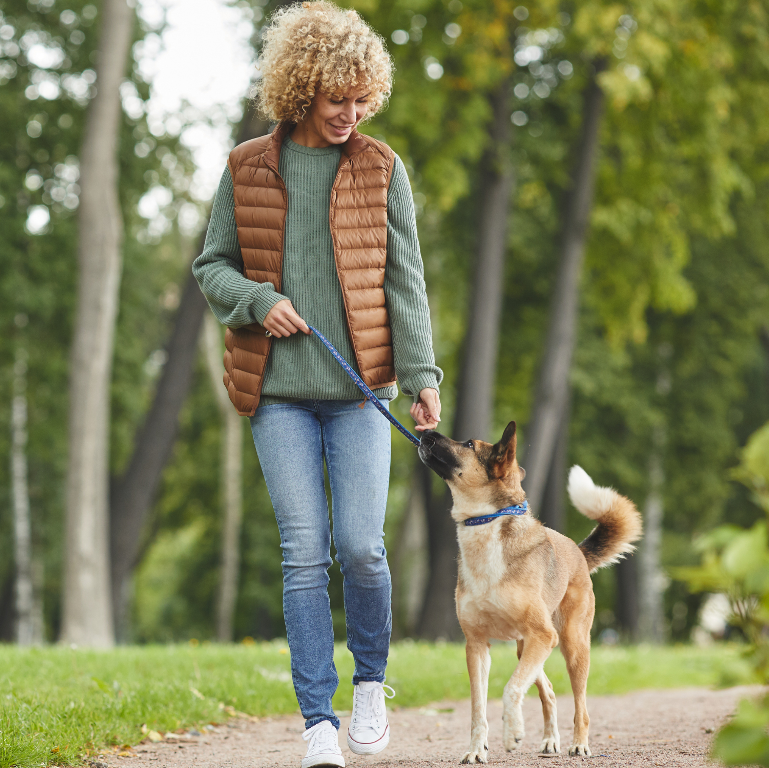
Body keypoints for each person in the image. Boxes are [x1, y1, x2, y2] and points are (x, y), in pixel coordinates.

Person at [192, 3, 442, 766]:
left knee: (362, 548)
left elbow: (406, 281)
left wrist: (422, 375)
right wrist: (257, 301)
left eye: (363, 99)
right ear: (301, 91)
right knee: (304, 553)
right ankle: (317, 724)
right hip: (277, 394)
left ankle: (370, 684)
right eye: (339, 100)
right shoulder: (247, 167)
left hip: (362, 391)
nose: (352, 113)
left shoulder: (380, 167)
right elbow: (211, 266)